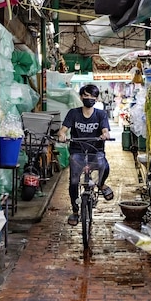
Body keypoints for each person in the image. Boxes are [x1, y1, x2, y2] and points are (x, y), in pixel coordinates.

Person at [58, 84, 114, 226]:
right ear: (81, 96)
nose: (89, 98)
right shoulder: (73, 113)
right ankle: (76, 211)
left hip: (96, 151)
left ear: (96, 98)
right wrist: (62, 135)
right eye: (86, 95)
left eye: (92, 96)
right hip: (77, 152)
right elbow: (63, 130)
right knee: (73, 182)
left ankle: (101, 184)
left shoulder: (101, 114)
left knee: (104, 166)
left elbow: (105, 130)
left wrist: (105, 135)